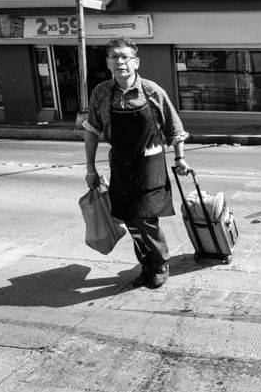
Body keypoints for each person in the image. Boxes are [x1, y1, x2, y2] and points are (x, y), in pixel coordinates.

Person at [83, 37, 193, 288]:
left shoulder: (153, 91)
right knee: (128, 218)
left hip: (150, 168)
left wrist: (180, 158)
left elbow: (175, 128)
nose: (120, 61)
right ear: (108, 62)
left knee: (144, 217)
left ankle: (160, 262)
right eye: (114, 57)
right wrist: (90, 169)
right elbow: (92, 130)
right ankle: (147, 264)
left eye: (125, 56)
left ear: (136, 62)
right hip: (121, 166)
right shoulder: (101, 93)